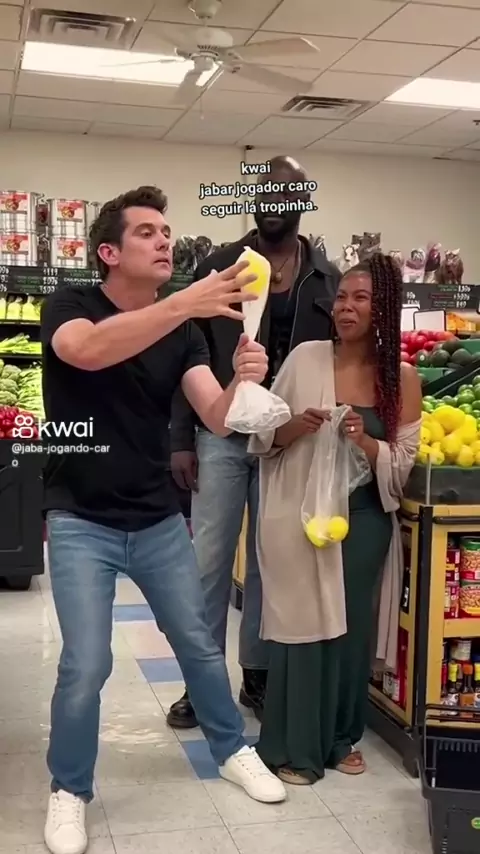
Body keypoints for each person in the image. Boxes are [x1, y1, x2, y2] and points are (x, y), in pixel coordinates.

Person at [40, 186, 286, 854]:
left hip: (156, 519)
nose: (164, 240)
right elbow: (88, 351)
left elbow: (217, 418)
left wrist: (244, 380)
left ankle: (231, 749)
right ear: (109, 252)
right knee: (86, 663)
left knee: (200, 645)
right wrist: (184, 300)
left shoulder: (184, 331)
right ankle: (69, 789)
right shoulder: (70, 304)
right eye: (146, 232)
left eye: (166, 231)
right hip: (80, 518)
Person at [168, 156, 341, 729]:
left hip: (287, 440)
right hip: (221, 432)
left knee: (273, 562)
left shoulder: (327, 277)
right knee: (208, 563)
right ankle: (200, 682)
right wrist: (181, 438)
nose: (272, 202)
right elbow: (185, 352)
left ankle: (259, 675)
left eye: (285, 193)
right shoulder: (220, 266)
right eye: (263, 192)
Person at [248, 253, 422, 784]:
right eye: (342, 297)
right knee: (302, 631)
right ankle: (293, 745)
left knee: (347, 636)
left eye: (361, 298)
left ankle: (341, 737)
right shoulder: (305, 359)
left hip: (363, 523)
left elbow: (402, 464)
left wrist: (365, 441)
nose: (346, 307)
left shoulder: (402, 379)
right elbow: (262, 436)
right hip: (304, 518)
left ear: (383, 307)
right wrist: (296, 426)